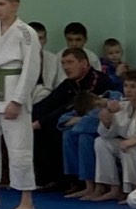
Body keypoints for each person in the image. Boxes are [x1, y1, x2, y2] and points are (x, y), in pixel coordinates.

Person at [32, 48, 110, 190]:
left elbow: (74, 107)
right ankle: (49, 179)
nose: (66, 67)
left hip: (94, 124)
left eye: (70, 62)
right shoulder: (70, 83)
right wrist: (29, 117)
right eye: (63, 63)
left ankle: (75, 181)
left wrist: (40, 123)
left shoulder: (97, 80)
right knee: (40, 129)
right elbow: (49, 102)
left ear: (84, 63)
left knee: (57, 129)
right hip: (72, 119)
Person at [0, 0, 41, 209]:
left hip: (14, 93)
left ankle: (26, 199)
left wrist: (17, 100)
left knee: (19, 149)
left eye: (1, 4)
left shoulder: (26, 32)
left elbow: (31, 70)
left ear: (15, 5)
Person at [89, 69, 136, 202]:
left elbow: (134, 134)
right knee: (100, 142)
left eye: (133, 87)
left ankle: (131, 190)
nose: (128, 90)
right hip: (131, 144)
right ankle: (113, 188)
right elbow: (107, 134)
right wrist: (107, 122)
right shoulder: (122, 105)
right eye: (126, 86)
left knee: (128, 148)